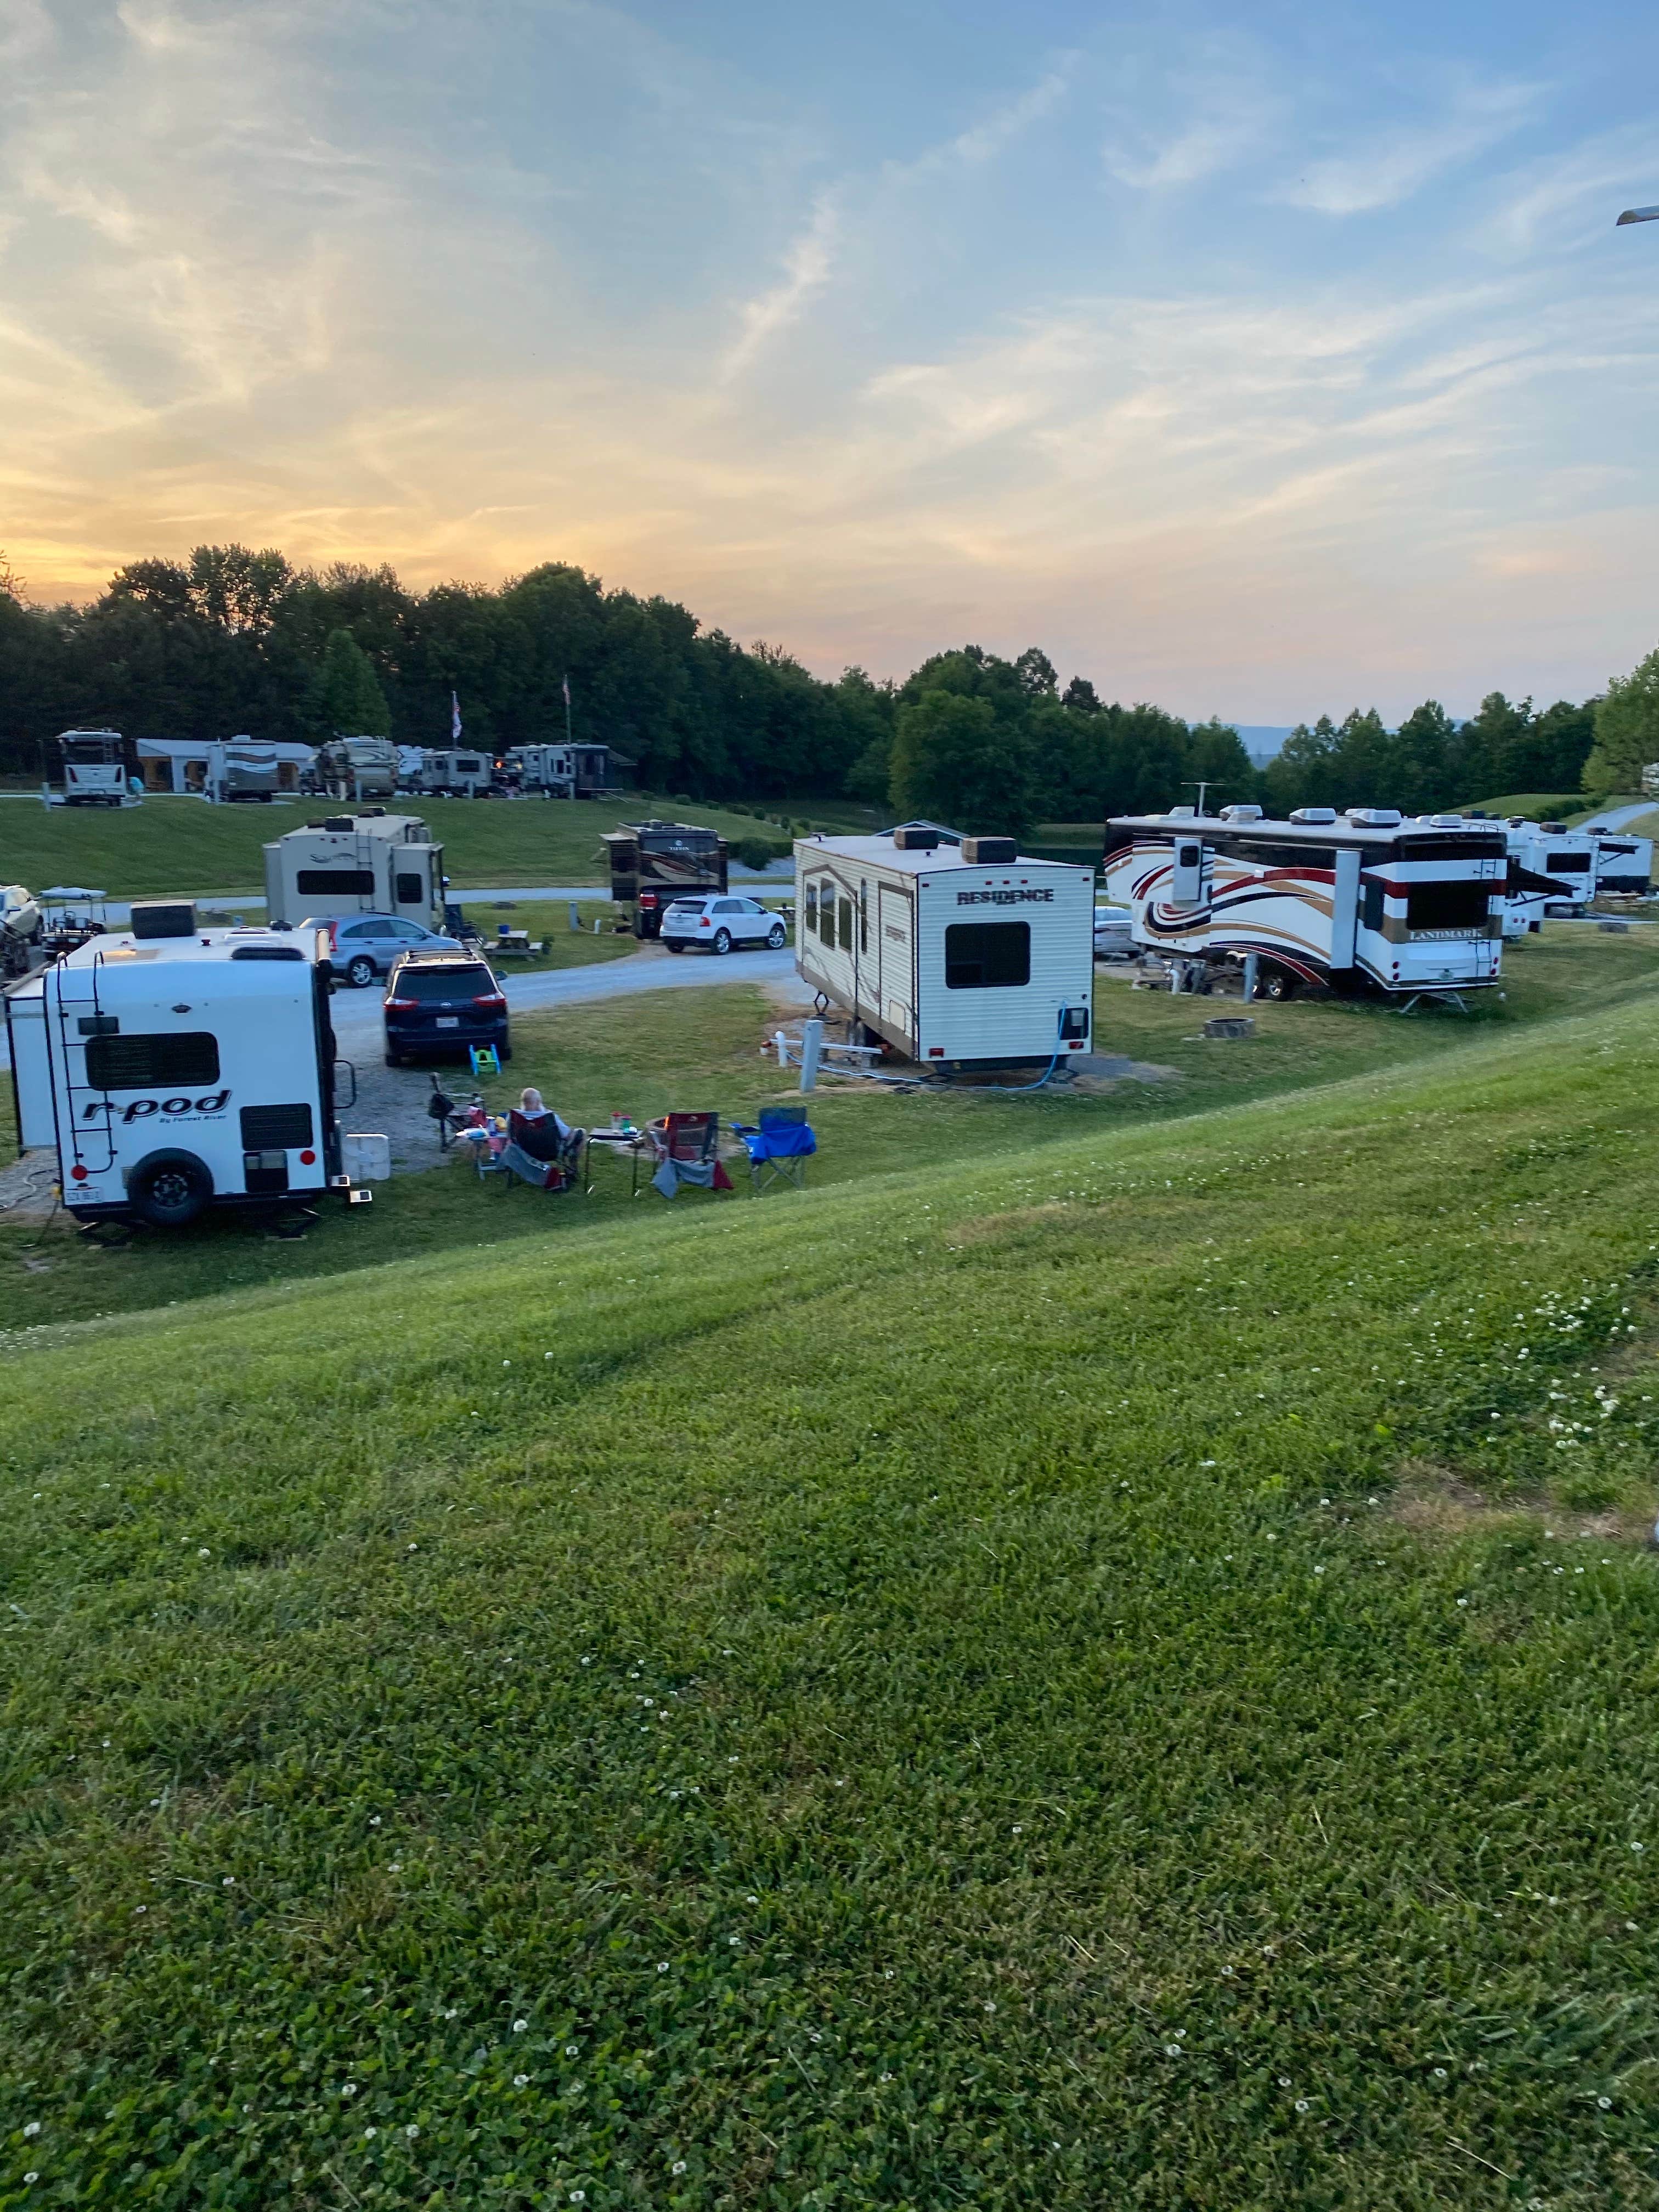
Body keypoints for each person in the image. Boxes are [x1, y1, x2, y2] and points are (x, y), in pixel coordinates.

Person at [505, 1087, 577, 1166]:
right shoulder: (549, 1117)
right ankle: (572, 1170)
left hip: (522, 1151)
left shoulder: (514, 1117)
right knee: (581, 1133)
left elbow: (509, 1135)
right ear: (539, 1102)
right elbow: (567, 1135)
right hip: (550, 1153)